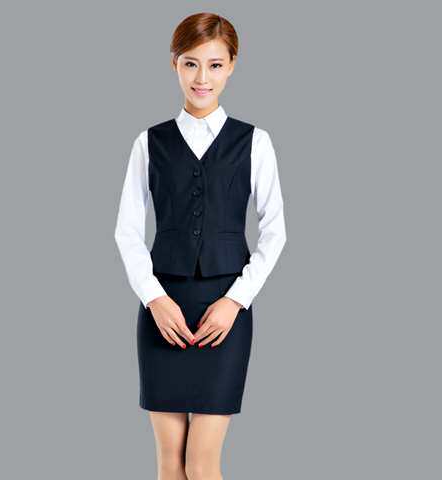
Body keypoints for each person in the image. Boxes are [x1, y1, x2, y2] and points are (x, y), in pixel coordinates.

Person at [114, 11, 286, 480]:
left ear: (232, 67)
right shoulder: (148, 143)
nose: (202, 78)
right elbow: (127, 232)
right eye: (190, 64)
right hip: (162, 310)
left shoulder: (255, 142)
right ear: (174, 64)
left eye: (214, 65)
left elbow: (275, 232)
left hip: (226, 311)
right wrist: (154, 299)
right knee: (170, 463)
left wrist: (235, 302)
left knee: (202, 462)